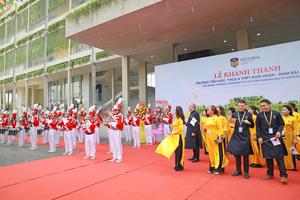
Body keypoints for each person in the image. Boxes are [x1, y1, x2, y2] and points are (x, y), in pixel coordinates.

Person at [256, 99, 288, 184]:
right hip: (265, 138)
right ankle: (270, 173)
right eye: (261, 106)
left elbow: (281, 124)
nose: (263, 107)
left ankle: (283, 175)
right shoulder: (259, 115)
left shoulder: (276, 113)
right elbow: (258, 127)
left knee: (279, 157)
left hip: (275, 138)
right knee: (268, 157)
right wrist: (259, 136)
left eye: (264, 105)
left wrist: (279, 131)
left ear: (269, 105)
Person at [227, 100, 254, 179]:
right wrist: (229, 120)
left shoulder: (248, 114)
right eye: (239, 106)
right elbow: (231, 123)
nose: (240, 107)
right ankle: (238, 170)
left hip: (245, 136)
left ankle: (246, 172)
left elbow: (252, 125)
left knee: (245, 155)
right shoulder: (234, 114)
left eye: (242, 106)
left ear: (244, 106)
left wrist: (248, 122)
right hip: (236, 135)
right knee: (236, 154)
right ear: (237, 106)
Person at [204, 105, 229, 175]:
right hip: (209, 138)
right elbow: (206, 128)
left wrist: (220, 137)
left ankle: (219, 168)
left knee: (218, 152)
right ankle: (212, 167)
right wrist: (204, 128)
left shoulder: (217, 118)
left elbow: (220, 129)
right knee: (211, 153)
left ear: (212, 111)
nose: (207, 111)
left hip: (216, 138)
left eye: (208, 109)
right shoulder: (208, 118)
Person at [105, 98, 124, 162]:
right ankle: (114, 157)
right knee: (113, 144)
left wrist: (112, 120)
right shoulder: (113, 115)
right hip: (112, 131)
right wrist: (108, 121)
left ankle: (119, 158)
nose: (115, 111)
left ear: (119, 110)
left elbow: (119, 124)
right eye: (114, 110)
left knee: (117, 144)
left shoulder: (120, 116)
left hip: (116, 131)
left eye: (116, 110)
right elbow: (107, 123)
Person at [281, 105, 298, 170]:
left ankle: (292, 166)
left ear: (289, 111)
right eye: (282, 109)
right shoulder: (281, 118)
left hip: (290, 137)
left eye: (284, 109)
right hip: (282, 137)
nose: (283, 111)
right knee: (282, 151)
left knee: (291, 151)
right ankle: (284, 165)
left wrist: (295, 138)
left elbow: (296, 129)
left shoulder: (293, 119)